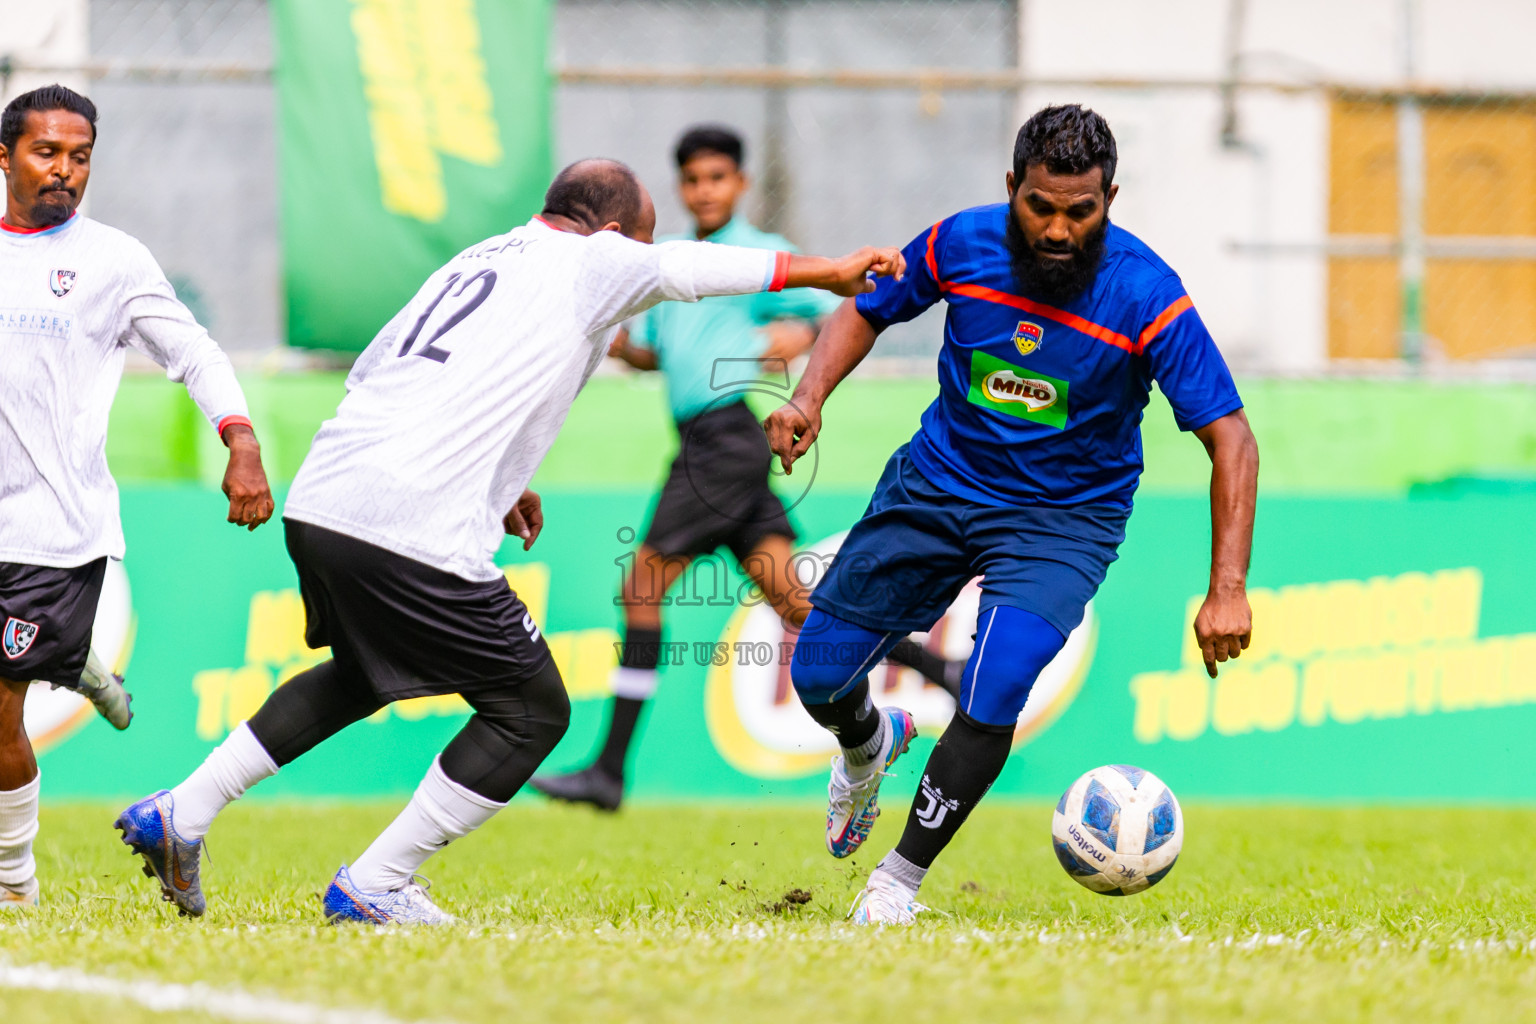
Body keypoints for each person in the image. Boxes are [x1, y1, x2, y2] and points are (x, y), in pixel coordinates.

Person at [116, 158, 905, 925]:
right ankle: (377, 883)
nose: (634, 259)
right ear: (614, 229)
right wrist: (825, 271)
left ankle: (183, 811)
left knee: (363, 673)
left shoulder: (480, 258)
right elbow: (687, 266)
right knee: (531, 710)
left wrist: (497, 483)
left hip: (326, 499)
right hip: (410, 521)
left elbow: (389, 373)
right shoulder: (595, 258)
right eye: (637, 239)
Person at [764, 105, 1259, 924]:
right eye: (1040, 207)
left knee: (995, 686)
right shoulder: (960, 243)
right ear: (1011, 190)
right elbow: (864, 308)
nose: (1059, 229)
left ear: (1110, 199)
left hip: (1061, 522)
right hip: (937, 488)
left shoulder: (1147, 294)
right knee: (818, 674)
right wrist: (808, 395)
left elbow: (1230, 436)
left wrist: (1227, 587)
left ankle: (896, 886)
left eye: (1081, 211)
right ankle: (867, 743)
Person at [531, 126, 961, 813]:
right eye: (693, 179)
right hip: (710, 445)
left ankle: (608, 772)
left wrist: (801, 333)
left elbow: (845, 309)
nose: (705, 190)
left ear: (740, 184)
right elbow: (648, 349)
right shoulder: (669, 263)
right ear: (680, 187)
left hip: (723, 437)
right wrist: (618, 346)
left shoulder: (757, 256)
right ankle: (948, 672)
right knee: (799, 607)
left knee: (642, 589)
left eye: (717, 178)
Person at [0, 85, 274, 908]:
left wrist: (242, 438)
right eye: (48, 152)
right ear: (4, 156)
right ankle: (76, 661)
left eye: (80, 157)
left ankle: (13, 885)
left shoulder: (112, 261)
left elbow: (192, 351)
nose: (66, 172)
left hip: (50, 532)